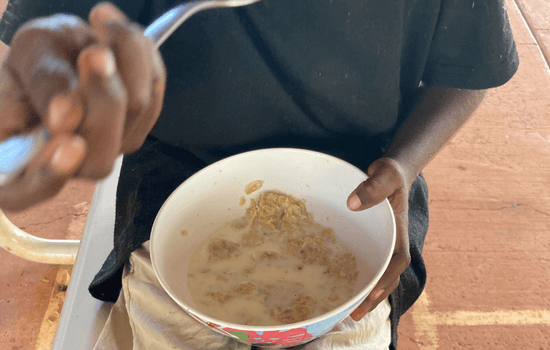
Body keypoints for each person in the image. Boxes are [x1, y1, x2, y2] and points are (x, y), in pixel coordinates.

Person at [0, 0, 519, 348]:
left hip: (365, 183)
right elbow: (56, 34)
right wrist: (48, 81)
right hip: (172, 179)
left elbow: (469, 69)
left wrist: (404, 166)